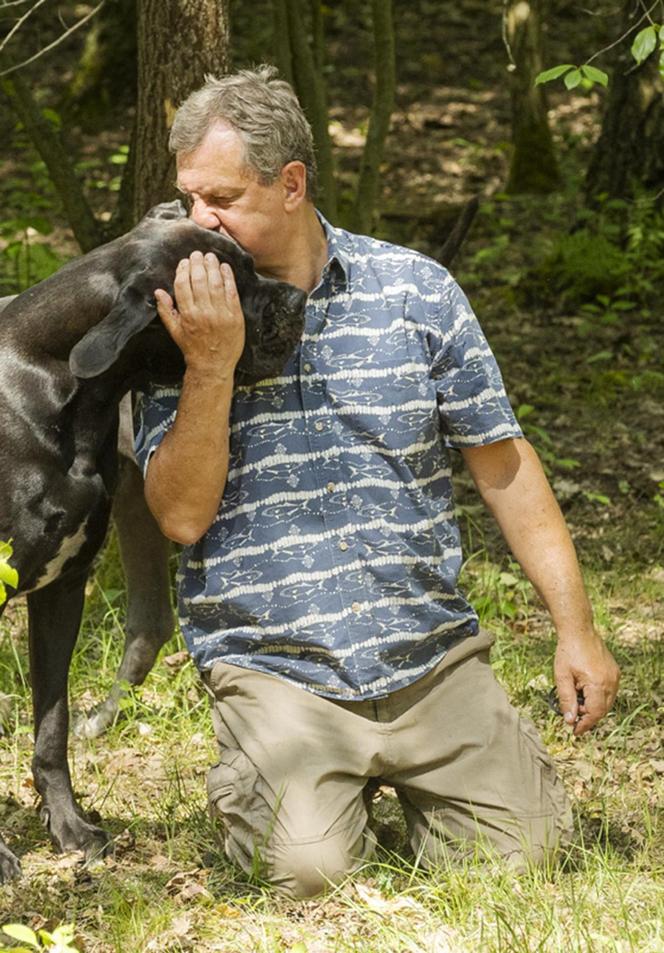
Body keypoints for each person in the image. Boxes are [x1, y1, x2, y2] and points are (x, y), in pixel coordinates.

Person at [134, 66, 620, 899]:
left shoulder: (415, 291)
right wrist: (210, 365)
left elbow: (504, 465)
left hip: (432, 659)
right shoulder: (174, 316)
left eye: (220, 199)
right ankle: (313, 795)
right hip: (278, 673)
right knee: (307, 873)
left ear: (290, 185)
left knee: (534, 859)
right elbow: (179, 518)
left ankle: (425, 788)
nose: (196, 222)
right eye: (188, 199)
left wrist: (575, 627)